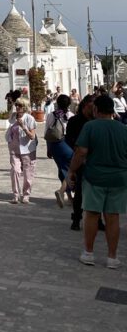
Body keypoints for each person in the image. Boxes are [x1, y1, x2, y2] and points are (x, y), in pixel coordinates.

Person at [68, 93, 127, 269]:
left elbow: (81, 152)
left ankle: (89, 253)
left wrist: (71, 170)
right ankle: (112, 257)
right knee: (113, 217)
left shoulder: (90, 127)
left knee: (92, 214)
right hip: (118, 179)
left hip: (95, 177)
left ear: (96, 109)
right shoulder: (123, 129)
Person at [66, 94, 95, 231]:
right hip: (80, 159)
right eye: (91, 106)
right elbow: (69, 139)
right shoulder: (75, 121)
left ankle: (98, 219)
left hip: (95, 161)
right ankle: (77, 218)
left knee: (95, 191)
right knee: (80, 190)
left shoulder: (96, 121)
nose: (94, 109)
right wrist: (78, 150)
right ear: (85, 106)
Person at [44, 94, 74, 208]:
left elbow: (47, 132)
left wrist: (48, 148)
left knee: (62, 170)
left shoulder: (51, 115)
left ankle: (68, 197)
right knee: (71, 169)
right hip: (66, 144)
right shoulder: (70, 115)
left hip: (55, 145)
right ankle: (62, 192)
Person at [6, 96, 37, 203]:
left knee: (28, 174)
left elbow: (32, 136)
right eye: (16, 105)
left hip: (27, 150)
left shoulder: (30, 118)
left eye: (20, 105)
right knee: (15, 171)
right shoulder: (13, 117)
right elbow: (9, 129)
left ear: (25, 107)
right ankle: (15, 195)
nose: (18, 107)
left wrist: (23, 126)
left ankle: (26, 194)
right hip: (14, 149)